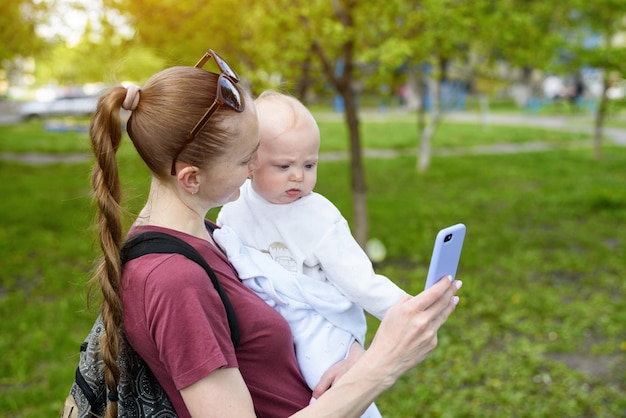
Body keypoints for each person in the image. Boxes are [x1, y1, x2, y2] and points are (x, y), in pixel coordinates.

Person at [88, 48, 462, 418]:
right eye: (245, 159)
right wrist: (384, 364)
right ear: (191, 178)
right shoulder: (174, 281)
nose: (255, 168)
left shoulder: (212, 234)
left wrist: (348, 356)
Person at [214, 91, 408, 417]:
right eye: (284, 165)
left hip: (320, 321)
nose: (298, 176)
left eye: (309, 164)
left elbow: (359, 280)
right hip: (266, 323)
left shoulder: (319, 216)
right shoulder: (234, 206)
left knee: (329, 381)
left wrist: (406, 309)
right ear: (250, 163)